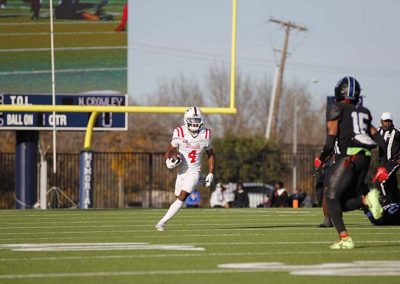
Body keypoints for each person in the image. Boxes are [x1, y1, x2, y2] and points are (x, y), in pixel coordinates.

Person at [314, 76, 385, 249]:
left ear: (339, 91)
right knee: (341, 203)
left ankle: (345, 238)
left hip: (349, 158)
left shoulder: (336, 108)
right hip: (365, 157)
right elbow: (380, 140)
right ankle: (365, 200)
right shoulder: (364, 112)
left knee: (330, 196)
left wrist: (320, 159)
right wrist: (382, 165)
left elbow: (330, 143)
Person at [156, 107, 215, 231]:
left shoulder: (206, 134)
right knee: (177, 195)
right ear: (186, 120)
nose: (194, 122)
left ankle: (162, 222)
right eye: (192, 119)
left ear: (202, 120)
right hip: (182, 170)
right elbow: (170, 149)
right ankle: (201, 179)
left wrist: (211, 172)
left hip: (194, 170)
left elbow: (211, 154)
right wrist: (168, 159)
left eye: (197, 119)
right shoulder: (179, 132)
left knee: (182, 197)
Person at [376, 112, 400, 203]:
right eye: (386, 121)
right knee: (392, 186)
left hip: (393, 162)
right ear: (381, 121)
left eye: (389, 121)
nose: (388, 123)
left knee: (381, 181)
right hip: (382, 163)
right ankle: (396, 204)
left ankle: (384, 201)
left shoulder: (396, 132)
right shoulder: (378, 131)